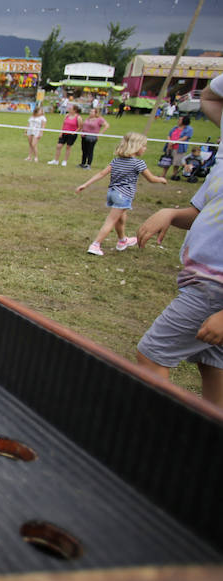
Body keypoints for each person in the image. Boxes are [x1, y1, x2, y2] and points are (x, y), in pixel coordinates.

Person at [135, 75, 223, 407]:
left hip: (214, 288)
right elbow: (211, 97)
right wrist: (171, 213)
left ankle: (161, 431)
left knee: (151, 356)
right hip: (203, 282)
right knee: (212, 366)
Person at [75, 132, 166, 256]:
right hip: (123, 196)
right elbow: (151, 179)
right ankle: (95, 245)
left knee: (121, 219)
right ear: (136, 146)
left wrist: (85, 184)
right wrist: (161, 179)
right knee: (111, 220)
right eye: (144, 146)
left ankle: (122, 241)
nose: (145, 148)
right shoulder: (138, 163)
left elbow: (101, 174)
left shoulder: (116, 161)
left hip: (112, 194)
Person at [163, 116, 193, 180]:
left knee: (177, 163)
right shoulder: (175, 127)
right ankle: (163, 175)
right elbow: (169, 135)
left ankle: (174, 175)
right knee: (167, 161)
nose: (178, 121)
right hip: (170, 147)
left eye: (180, 120)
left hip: (179, 148)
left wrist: (174, 142)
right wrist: (169, 142)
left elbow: (185, 138)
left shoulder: (189, 129)